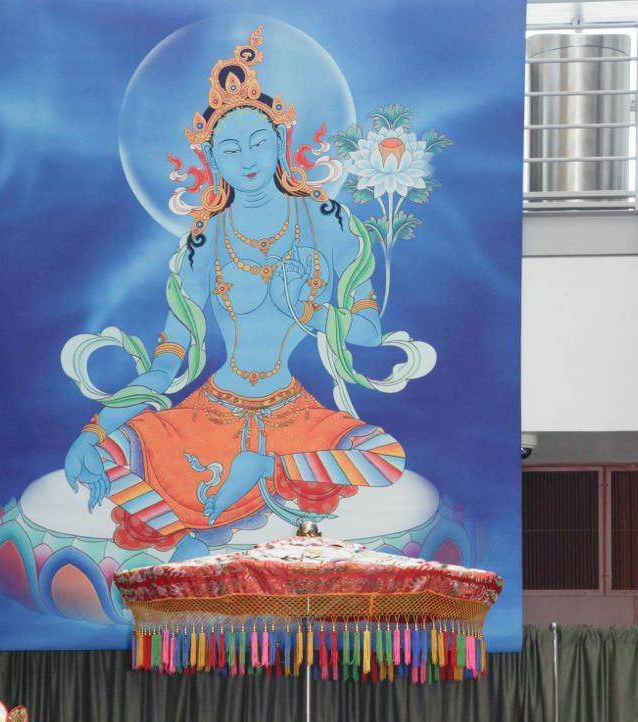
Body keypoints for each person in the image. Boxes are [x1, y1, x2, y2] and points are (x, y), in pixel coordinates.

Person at [63, 26, 408, 547]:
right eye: (229, 148)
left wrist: (311, 311)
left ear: (281, 142)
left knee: (385, 458)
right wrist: (93, 430)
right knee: (106, 456)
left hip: (291, 411)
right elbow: (168, 360)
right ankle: (191, 543)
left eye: (258, 143)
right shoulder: (203, 243)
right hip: (210, 411)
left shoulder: (327, 222)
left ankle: (266, 469)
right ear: (211, 160)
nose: (246, 160)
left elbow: (367, 331)